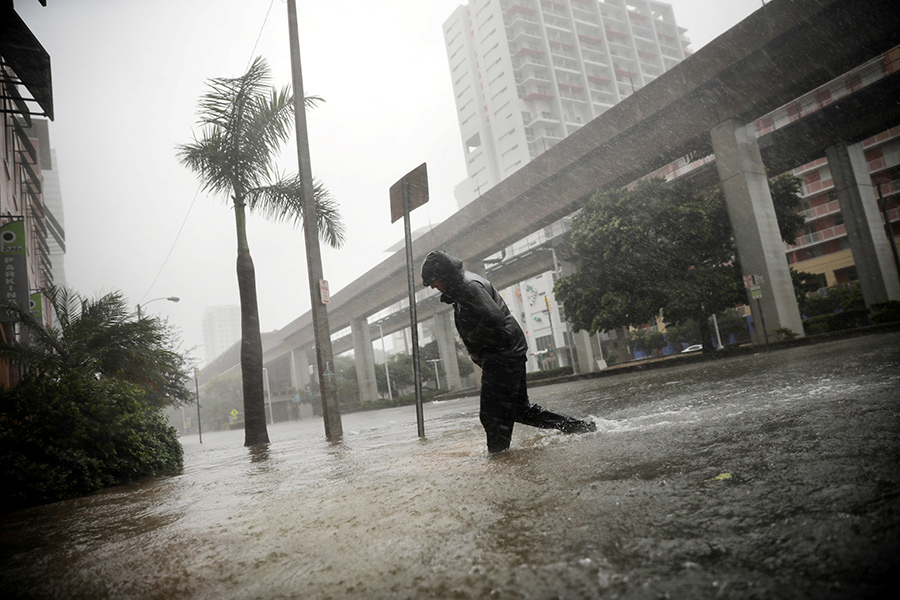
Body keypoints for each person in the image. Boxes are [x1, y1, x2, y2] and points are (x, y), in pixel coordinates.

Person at [421, 250, 596, 454]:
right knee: (520, 411)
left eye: (433, 281)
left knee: (491, 415)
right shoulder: (463, 285)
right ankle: (581, 428)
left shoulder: (468, 287)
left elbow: (494, 318)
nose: (433, 286)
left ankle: (499, 459)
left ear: (444, 274)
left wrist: (472, 339)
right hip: (508, 351)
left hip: (502, 355)